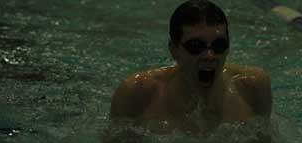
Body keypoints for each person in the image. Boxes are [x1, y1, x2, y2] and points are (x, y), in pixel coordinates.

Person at [110, 0, 272, 135]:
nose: (209, 55)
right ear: (174, 50)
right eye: (196, 46)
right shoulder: (137, 94)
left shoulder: (252, 87)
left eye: (219, 45)